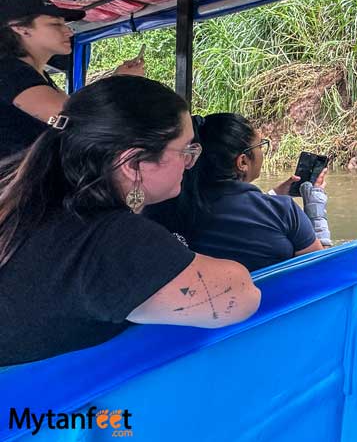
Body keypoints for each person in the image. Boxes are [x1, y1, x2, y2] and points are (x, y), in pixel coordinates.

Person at [0, 77, 261, 366]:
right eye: (186, 150)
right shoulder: (110, 241)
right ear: (134, 163)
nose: (191, 162)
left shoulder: (27, 201)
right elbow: (242, 296)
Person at [0, 0, 145, 162]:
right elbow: (73, 118)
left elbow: (74, 109)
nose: (69, 31)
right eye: (56, 24)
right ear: (21, 29)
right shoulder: (9, 71)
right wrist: (118, 82)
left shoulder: (36, 75)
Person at [184, 113, 328, 272]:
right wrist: (316, 212)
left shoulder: (178, 207)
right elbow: (325, 270)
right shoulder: (284, 211)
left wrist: (271, 196)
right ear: (243, 162)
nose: (261, 152)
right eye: (260, 146)